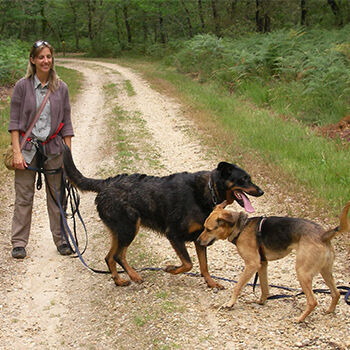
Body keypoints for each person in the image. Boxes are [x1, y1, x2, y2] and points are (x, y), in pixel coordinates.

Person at [8, 40, 74, 259]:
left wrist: (68, 157)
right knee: (24, 197)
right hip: (27, 148)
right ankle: (19, 243)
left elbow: (67, 124)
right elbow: (15, 124)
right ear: (33, 60)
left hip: (54, 148)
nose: (46, 60)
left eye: (49, 56)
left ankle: (62, 240)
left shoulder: (61, 87)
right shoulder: (22, 86)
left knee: (57, 197)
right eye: (41, 57)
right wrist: (17, 152)